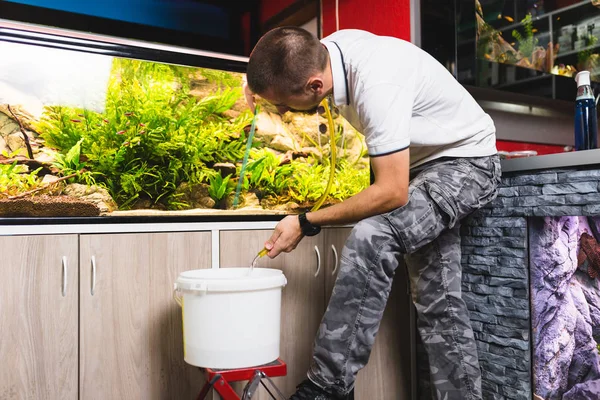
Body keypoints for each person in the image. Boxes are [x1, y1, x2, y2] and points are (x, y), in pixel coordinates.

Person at [243, 27, 501, 400]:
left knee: (373, 236)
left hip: (466, 165)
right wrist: (255, 84)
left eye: (283, 103)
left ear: (315, 86)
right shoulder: (326, 53)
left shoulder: (377, 81)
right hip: (419, 170)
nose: (281, 111)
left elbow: (392, 192)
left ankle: (327, 386)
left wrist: (306, 222)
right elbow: (285, 51)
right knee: (438, 300)